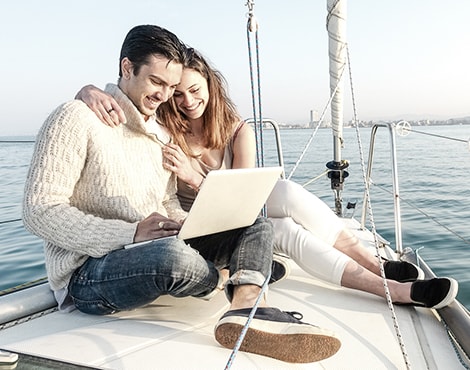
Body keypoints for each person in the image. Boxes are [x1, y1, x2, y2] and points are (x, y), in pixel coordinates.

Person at [22, 25, 342, 364]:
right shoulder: (75, 117)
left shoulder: (158, 132)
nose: (164, 95)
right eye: (157, 82)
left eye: (171, 87)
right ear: (127, 68)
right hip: (88, 273)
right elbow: (39, 210)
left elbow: (167, 202)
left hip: (152, 247)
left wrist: (188, 225)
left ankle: (246, 307)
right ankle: (231, 277)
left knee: (255, 226)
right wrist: (130, 232)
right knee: (171, 258)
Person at [76, 48, 458, 310]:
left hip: (236, 220)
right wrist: (87, 90)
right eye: (177, 94)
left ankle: (379, 269)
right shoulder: (162, 126)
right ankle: (392, 288)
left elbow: (243, 200)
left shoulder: (236, 130)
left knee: (287, 197)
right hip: (199, 227)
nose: (187, 101)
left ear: (211, 85)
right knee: (284, 230)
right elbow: (129, 102)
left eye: (195, 90)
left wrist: (197, 175)